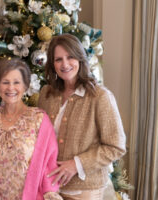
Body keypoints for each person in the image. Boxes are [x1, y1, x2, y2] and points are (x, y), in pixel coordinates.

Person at [38, 33, 126, 200]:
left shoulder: (99, 96)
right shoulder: (46, 94)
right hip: (50, 189)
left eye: (70, 57)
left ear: (80, 58)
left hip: (85, 191)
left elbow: (116, 146)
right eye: (58, 59)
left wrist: (77, 164)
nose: (65, 64)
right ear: (52, 63)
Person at [0, 58, 63, 200]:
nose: (11, 88)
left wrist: (49, 191)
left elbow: (49, 163)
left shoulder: (39, 119)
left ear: (25, 86)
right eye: (5, 82)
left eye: (16, 82)